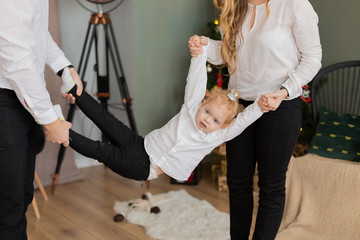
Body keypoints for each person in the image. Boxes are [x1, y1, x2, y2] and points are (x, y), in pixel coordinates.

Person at [188, 0, 322, 239]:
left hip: (279, 105)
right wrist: (204, 46)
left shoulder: (294, 5)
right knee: (237, 184)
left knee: (270, 187)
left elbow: (312, 58)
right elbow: (230, 52)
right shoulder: (235, 6)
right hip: (239, 106)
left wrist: (283, 91)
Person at [62, 45, 269, 183]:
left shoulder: (218, 135)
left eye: (215, 120)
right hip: (140, 144)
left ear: (223, 126)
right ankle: (72, 87)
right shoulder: (191, 108)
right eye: (207, 111)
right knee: (105, 119)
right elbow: (196, 82)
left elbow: (242, 121)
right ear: (202, 104)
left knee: (102, 151)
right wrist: (200, 54)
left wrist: (260, 106)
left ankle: (60, 130)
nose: (207, 119)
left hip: (142, 168)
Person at [0, 1, 83, 239]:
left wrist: (65, 68)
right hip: (6, 98)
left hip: (21, 97)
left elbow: (36, 32)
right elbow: (18, 64)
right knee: (9, 207)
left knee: (22, 196)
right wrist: (51, 121)